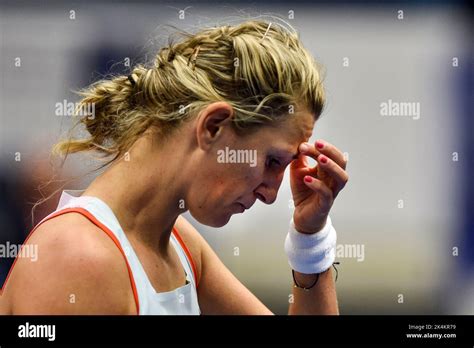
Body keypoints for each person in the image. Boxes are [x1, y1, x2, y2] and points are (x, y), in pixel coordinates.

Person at [0, 19, 348, 315]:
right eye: (271, 161)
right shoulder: (79, 258)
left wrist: (310, 238)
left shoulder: (181, 246)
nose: (271, 195)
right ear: (212, 127)